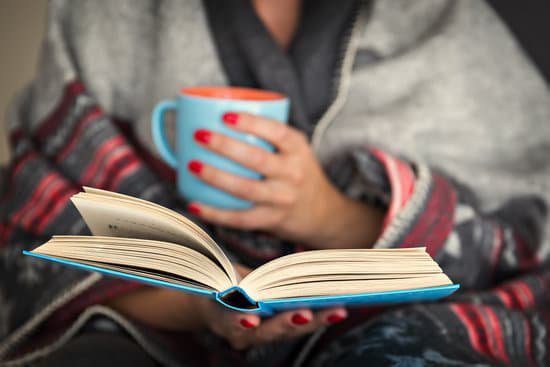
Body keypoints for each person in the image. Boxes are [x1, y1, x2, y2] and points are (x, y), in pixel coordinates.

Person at [1, 0, 549, 366]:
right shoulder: (107, 16)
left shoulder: (450, 21)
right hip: (164, 328)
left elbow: (532, 229)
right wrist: (202, 304)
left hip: (407, 318)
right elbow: (40, 224)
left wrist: (327, 213)